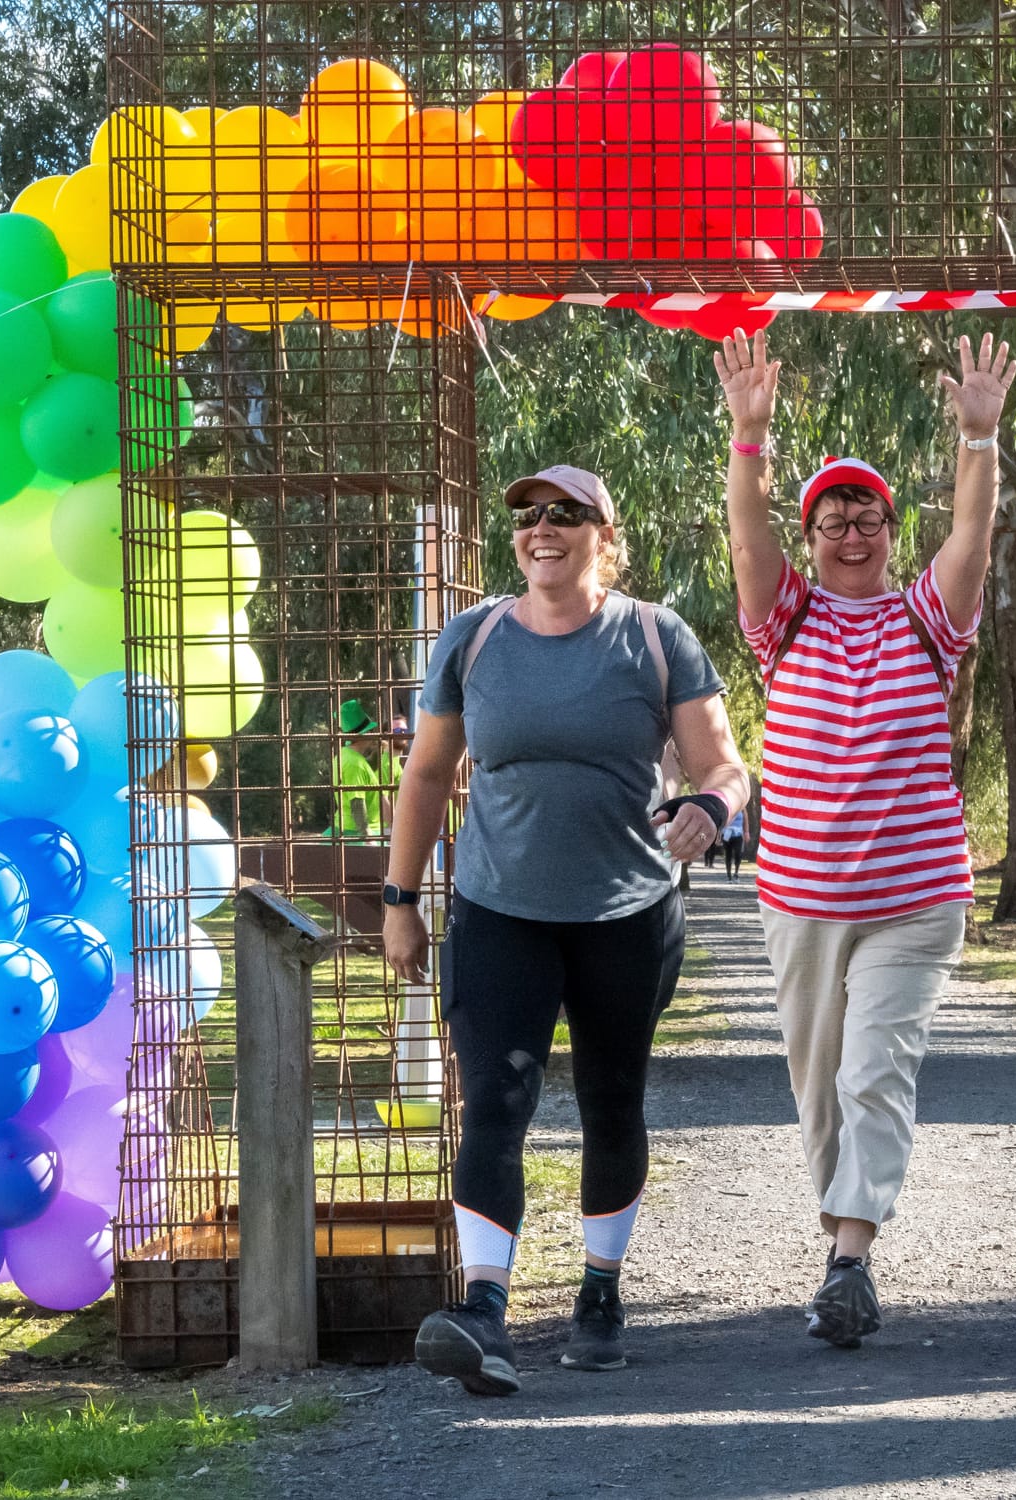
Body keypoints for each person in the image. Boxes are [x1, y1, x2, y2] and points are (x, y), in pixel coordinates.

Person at [382, 464, 751, 1397]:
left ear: (604, 535)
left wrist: (709, 805)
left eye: (564, 515)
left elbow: (724, 764)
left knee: (610, 1100)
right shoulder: (473, 641)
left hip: (627, 913)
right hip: (500, 909)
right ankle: (485, 1311)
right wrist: (400, 901)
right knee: (496, 1105)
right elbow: (427, 775)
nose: (541, 530)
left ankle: (599, 1293)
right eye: (528, 517)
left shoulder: (656, 637)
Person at [714, 325, 1015, 1348]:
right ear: (811, 539)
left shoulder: (927, 620)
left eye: (868, 517)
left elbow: (969, 544)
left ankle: (849, 1261)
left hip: (913, 897)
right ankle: (841, 1234)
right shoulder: (783, 622)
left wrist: (977, 441)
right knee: (818, 1083)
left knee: (873, 1070)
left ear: (891, 530)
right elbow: (744, 540)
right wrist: (747, 439)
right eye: (833, 517)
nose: (851, 530)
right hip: (799, 896)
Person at [328, 699, 391, 842]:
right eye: (371, 730)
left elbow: (365, 777)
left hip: (352, 831)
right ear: (366, 732)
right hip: (356, 835)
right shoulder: (354, 763)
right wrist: (367, 838)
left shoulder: (346, 756)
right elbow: (357, 802)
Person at [720, 802, 748, 881]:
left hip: (738, 834)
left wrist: (746, 832)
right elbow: (721, 819)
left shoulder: (741, 806)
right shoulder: (725, 805)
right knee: (728, 855)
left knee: (738, 853)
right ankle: (728, 875)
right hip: (726, 834)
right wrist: (719, 834)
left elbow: (745, 818)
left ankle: (736, 873)